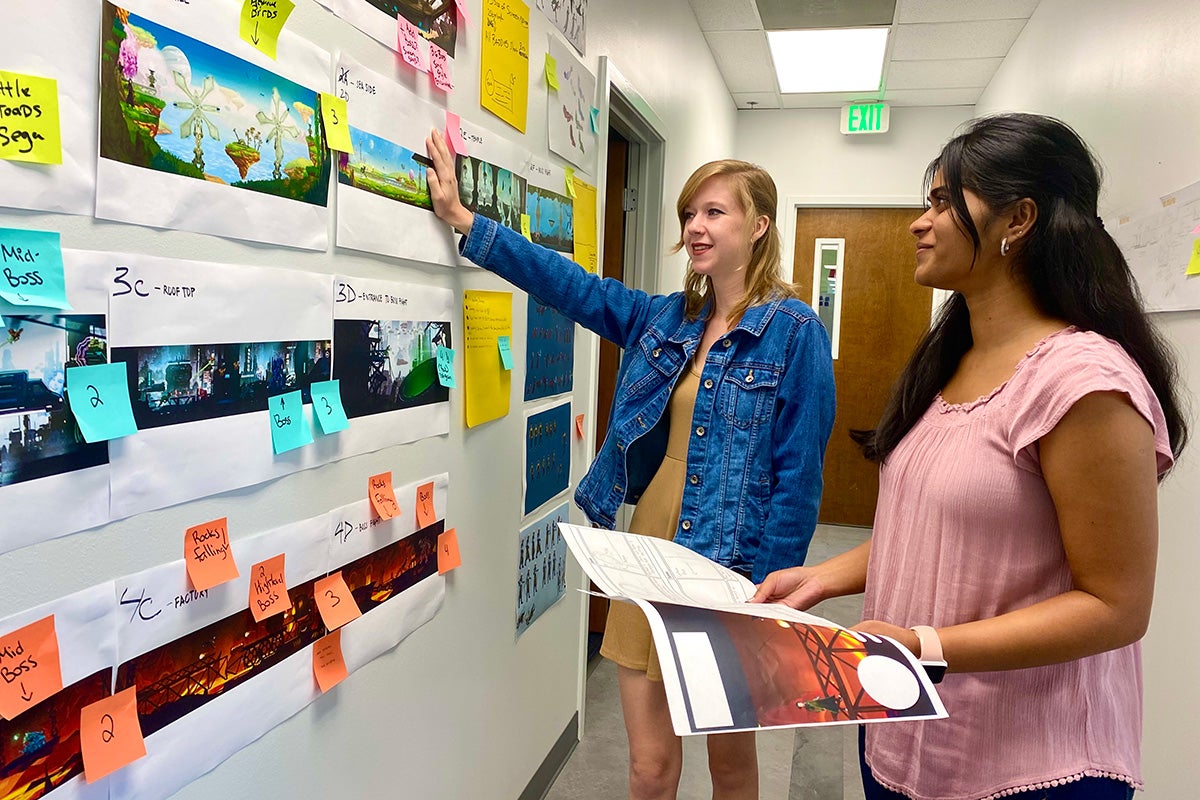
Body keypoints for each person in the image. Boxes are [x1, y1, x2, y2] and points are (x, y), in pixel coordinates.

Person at [752, 113, 1188, 800]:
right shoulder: (952, 362)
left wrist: (923, 645)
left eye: (942, 202)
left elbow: (1115, 606)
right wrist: (821, 578)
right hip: (905, 734)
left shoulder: (1083, 382)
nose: (919, 223)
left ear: (1017, 219)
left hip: (1029, 766)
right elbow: (946, 527)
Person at [424, 129, 835, 800]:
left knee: (730, 766)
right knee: (649, 768)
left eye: (714, 212)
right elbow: (572, 287)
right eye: (688, 214)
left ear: (760, 224)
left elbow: (798, 479)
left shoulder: (795, 332)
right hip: (651, 540)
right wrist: (469, 225)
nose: (695, 228)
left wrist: (768, 596)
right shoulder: (665, 318)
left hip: (734, 560)